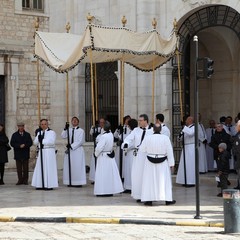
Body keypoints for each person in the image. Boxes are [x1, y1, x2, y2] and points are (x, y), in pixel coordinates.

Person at [139, 123, 176, 206]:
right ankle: (167, 200)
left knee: (149, 181)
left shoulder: (147, 138)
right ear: (161, 130)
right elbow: (170, 152)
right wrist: (172, 164)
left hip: (150, 161)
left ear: (153, 129)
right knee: (164, 181)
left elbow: (142, 149)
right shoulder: (166, 138)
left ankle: (149, 200)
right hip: (162, 162)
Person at [122, 114, 153, 201]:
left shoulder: (152, 130)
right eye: (138, 120)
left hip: (147, 155)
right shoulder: (136, 130)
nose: (139, 122)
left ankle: (148, 195)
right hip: (138, 156)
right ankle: (139, 195)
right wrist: (126, 143)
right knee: (138, 175)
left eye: (141, 120)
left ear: (146, 121)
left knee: (147, 175)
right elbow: (128, 139)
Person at [94, 121, 123, 196]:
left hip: (103, 156)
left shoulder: (103, 136)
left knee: (102, 174)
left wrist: (96, 154)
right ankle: (109, 190)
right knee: (109, 174)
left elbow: (99, 147)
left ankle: (102, 191)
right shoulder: (110, 134)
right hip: (109, 155)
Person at [31, 119, 58, 190]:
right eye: (42, 124)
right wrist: (38, 138)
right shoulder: (39, 132)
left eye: (45, 124)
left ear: (47, 124)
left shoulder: (52, 132)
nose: (43, 125)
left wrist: (42, 140)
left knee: (48, 168)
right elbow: (35, 142)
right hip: (41, 151)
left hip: (49, 151)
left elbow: (51, 141)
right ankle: (40, 184)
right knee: (40, 167)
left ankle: (49, 184)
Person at [61, 116, 86, 187]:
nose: (74, 121)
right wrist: (65, 128)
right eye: (73, 120)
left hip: (77, 150)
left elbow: (80, 141)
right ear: (71, 122)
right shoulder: (69, 130)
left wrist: (71, 146)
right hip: (70, 151)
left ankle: (78, 182)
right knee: (70, 166)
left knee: (77, 166)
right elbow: (63, 136)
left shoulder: (81, 131)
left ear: (78, 122)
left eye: (76, 120)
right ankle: (70, 181)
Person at [176, 116, 195, 187]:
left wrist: (184, 127)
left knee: (190, 165)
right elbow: (179, 138)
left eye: (186, 120)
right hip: (186, 147)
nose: (185, 121)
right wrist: (180, 136)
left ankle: (191, 181)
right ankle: (185, 180)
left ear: (190, 120)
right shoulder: (186, 128)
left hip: (191, 148)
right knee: (185, 165)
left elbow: (190, 133)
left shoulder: (194, 127)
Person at [122, 118, 138, 193]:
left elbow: (131, 143)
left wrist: (125, 146)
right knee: (128, 170)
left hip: (132, 153)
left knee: (131, 170)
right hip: (128, 153)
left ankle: (131, 187)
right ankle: (128, 186)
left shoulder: (135, 133)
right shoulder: (131, 132)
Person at [89, 118, 105, 183]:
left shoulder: (106, 129)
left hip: (102, 149)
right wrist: (93, 128)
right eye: (100, 122)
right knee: (94, 163)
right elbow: (91, 133)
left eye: (103, 122)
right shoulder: (96, 128)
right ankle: (94, 178)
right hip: (96, 148)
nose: (101, 124)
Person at [232, 120, 240, 189]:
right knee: (238, 172)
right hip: (238, 157)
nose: (235, 127)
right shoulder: (237, 134)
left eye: (237, 126)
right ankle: (239, 185)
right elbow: (234, 145)